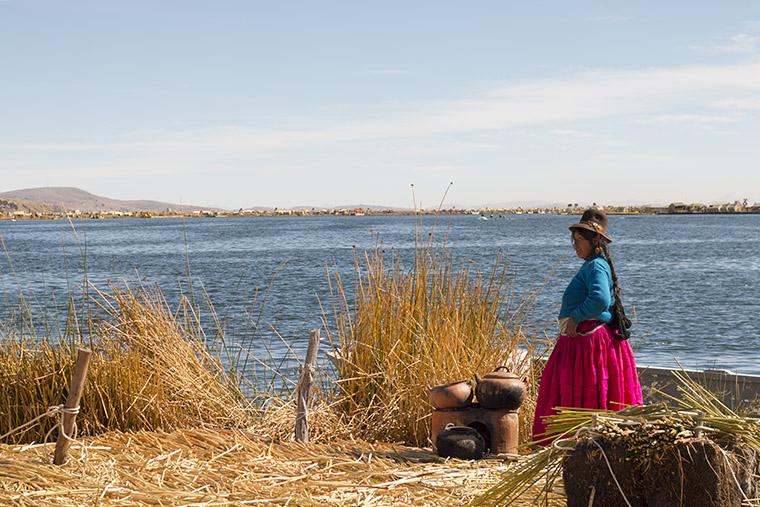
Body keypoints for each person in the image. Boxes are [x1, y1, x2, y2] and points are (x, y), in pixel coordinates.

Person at [532, 208, 643, 442]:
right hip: (585, 343)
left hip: (588, 345)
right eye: (574, 239)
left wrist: (575, 318)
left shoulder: (595, 266)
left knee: (583, 390)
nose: (574, 244)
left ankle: (578, 441)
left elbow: (600, 299)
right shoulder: (594, 264)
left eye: (580, 240)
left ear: (596, 242)